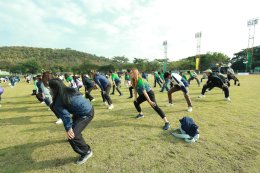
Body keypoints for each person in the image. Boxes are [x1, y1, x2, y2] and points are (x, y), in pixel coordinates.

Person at [48, 78, 94, 165]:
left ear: (54, 88)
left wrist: (68, 129)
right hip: (83, 111)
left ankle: (86, 152)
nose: (49, 90)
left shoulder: (59, 100)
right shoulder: (69, 89)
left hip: (86, 114)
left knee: (72, 136)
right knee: (74, 132)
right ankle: (77, 136)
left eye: (49, 88)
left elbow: (66, 117)